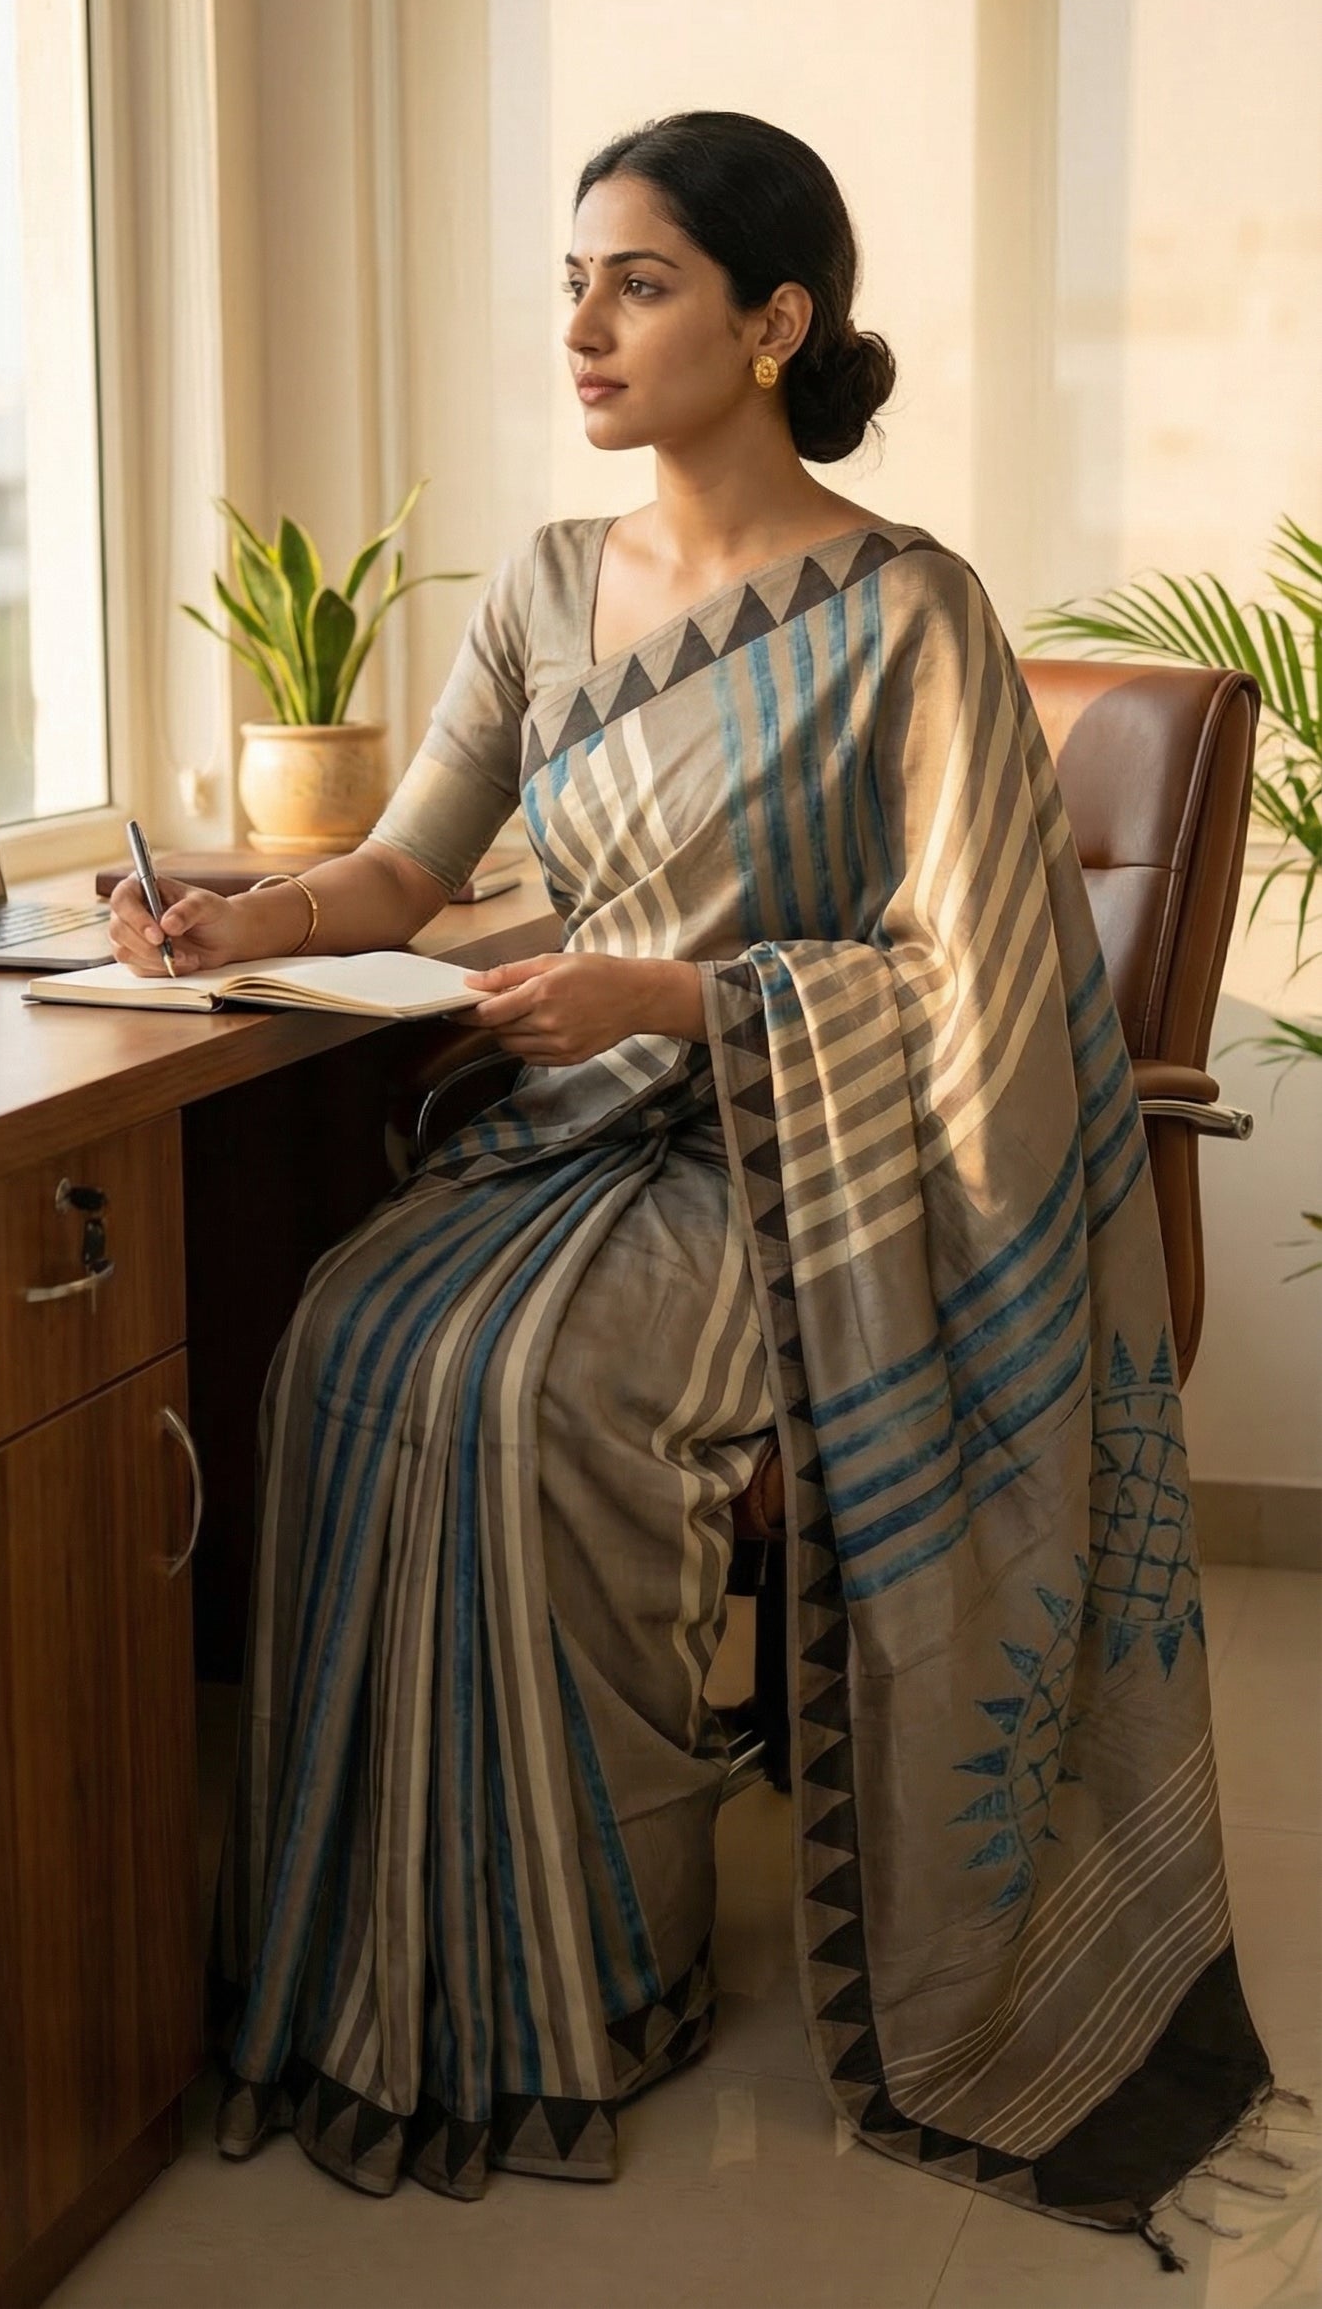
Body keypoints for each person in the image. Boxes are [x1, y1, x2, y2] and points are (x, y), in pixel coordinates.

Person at [110, 111, 1271, 2251]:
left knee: (546, 1405)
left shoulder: (915, 608)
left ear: (774, 322)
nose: (581, 326)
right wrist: (234, 918)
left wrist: (676, 995)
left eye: (635, 281)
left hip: (793, 1163)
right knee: (349, 1348)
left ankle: (591, 1976)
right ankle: (392, 1954)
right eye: (571, 280)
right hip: (558, 1135)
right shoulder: (546, 583)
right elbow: (405, 867)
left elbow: (978, 983)